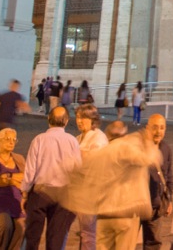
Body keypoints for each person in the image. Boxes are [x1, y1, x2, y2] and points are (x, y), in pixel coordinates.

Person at [61, 120, 159, 250]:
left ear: (108, 135)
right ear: (124, 134)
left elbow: (82, 174)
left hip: (104, 215)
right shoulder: (126, 148)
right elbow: (149, 159)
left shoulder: (101, 153)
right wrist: (148, 142)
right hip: (125, 214)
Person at [21, 106, 82, 250]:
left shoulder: (39, 140)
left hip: (40, 193)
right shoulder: (72, 141)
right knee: (56, 238)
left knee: (32, 236)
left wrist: (24, 192)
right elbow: (78, 169)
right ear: (66, 121)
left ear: (48, 119)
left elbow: (30, 170)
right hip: (63, 194)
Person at [73, 104, 109, 250]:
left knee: (88, 233)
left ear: (93, 119)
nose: (79, 121)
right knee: (84, 232)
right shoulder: (79, 138)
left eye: (84, 118)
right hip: (79, 190)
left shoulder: (98, 138)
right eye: (77, 117)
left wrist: (76, 154)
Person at [141, 113, 173, 250]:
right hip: (136, 205)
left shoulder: (166, 149)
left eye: (162, 128)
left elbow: (168, 176)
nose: (158, 131)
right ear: (147, 128)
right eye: (154, 127)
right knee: (126, 243)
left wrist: (168, 199)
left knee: (154, 243)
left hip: (155, 206)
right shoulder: (138, 147)